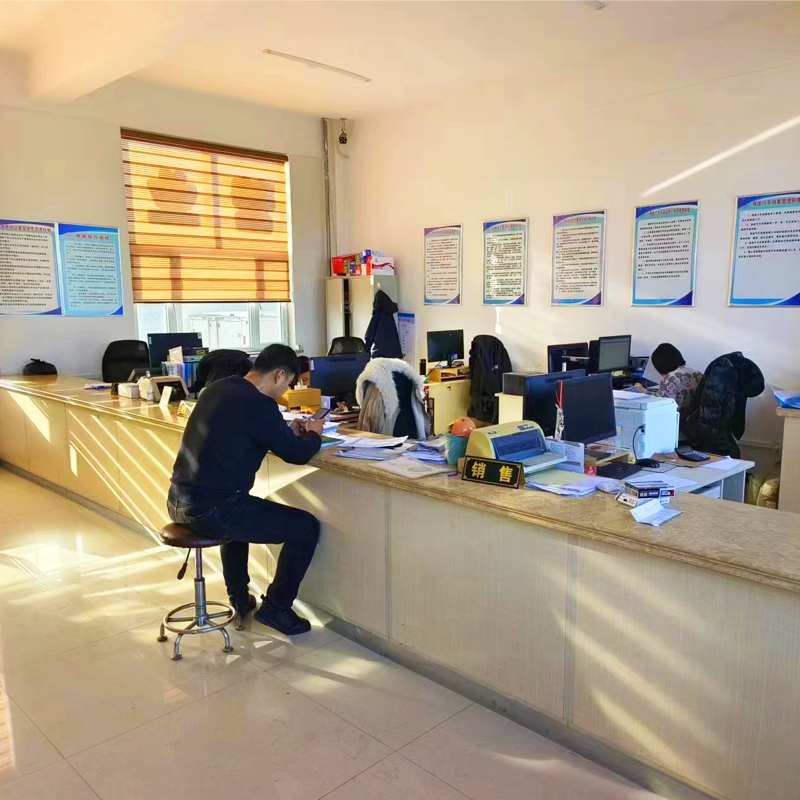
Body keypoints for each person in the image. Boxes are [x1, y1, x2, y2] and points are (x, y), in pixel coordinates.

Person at [167, 344, 324, 635]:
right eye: (288, 383)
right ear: (279, 375)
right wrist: (314, 434)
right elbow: (298, 454)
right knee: (306, 528)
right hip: (212, 510)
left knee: (239, 509)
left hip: (178, 501)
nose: (286, 390)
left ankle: (239, 598)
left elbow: (245, 431)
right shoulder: (259, 404)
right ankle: (277, 608)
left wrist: (284, 432)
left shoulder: (218, 388)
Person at [638, 343, 702, 413]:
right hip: (694, 416)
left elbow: (660, 403)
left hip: (677, 417)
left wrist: (645, 393)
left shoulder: (671, 378)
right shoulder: (696, 373)